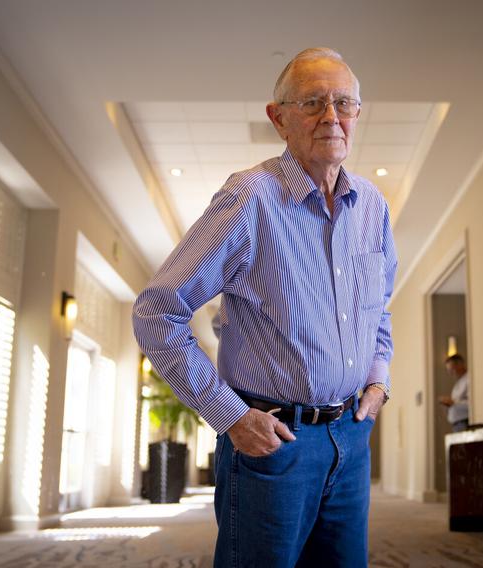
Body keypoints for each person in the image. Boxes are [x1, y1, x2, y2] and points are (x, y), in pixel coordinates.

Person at [132, 47, 396, 567]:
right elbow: (156, 311)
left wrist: (379, 379)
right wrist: (230, 417)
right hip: (272, 446)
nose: (331, 117)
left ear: (358, 114)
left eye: (344, 103)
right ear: (279, 119)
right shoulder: (249, 197)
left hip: (352, 440)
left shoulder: (373, 207)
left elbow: (378, 309)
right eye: (313, 102)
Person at [439, 353, 470, 432]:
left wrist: (453, 403)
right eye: (448, 371)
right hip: (456, 423)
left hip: (464, 422)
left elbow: (471, 404)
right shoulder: (458, 383)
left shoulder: (469, 379)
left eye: (452, 369)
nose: (450, 373)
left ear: (460, 365)